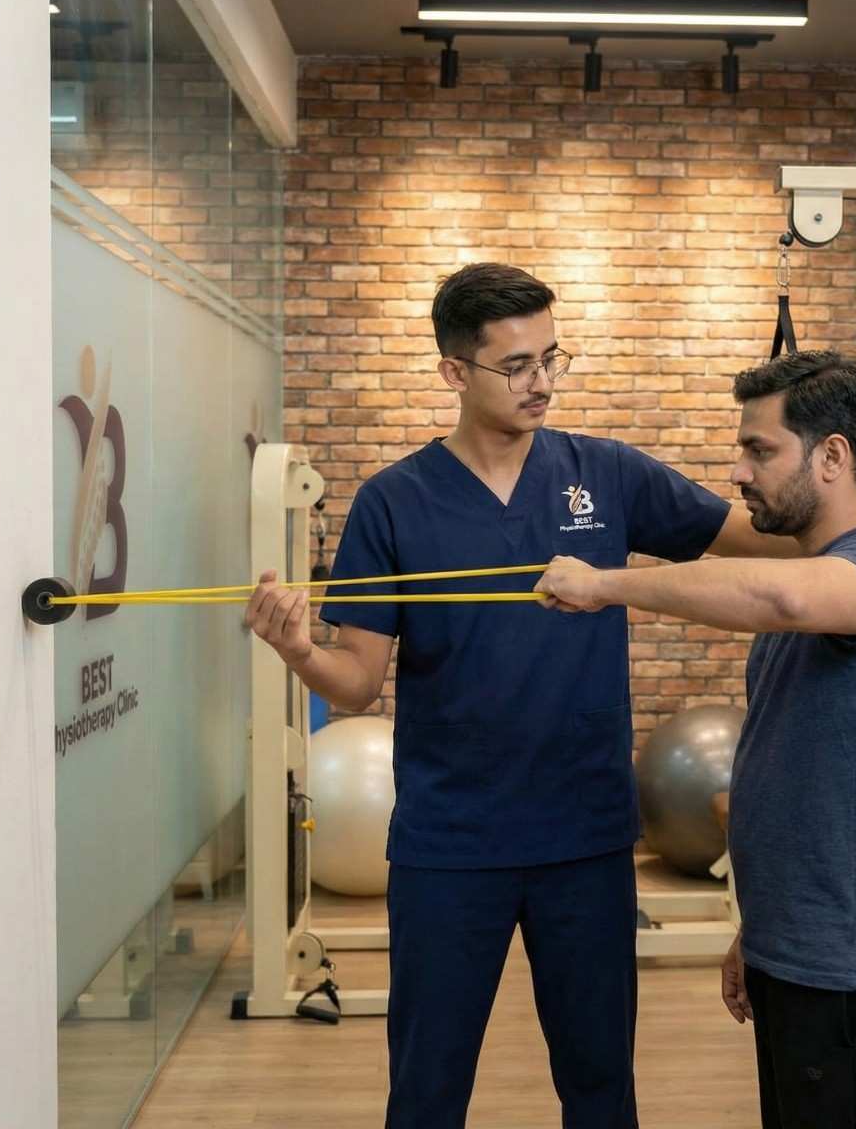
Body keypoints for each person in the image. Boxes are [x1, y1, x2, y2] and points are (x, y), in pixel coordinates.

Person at [243, 263, 800, 1129]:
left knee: (600, 1087)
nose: (541, 382)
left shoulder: (605, 474)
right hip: (449, 843)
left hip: (583, 835)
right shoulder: (393, 503)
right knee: (426, 1094)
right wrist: (296, 650)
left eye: (552, 357)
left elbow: (754, 539)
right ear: (454, 373)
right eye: (517, 365)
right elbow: (353, 686)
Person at [536, 350, 856, 1129]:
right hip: (802, 946)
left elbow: (778, 592)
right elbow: (809, 768)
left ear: (832, 456)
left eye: (760, 450)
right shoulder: (843, 572)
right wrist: (760, 929)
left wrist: (604, 583)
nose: (739, 470)